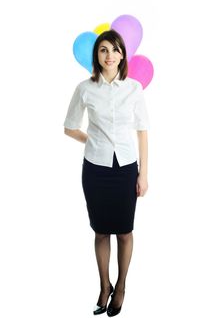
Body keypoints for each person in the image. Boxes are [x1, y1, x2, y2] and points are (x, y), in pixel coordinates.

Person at [63, 29, 149, 317]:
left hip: (126, 169)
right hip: (96, 169)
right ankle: (104, 285)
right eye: (103, 50)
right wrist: (91, 139)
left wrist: (143, 174)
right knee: (101, 231)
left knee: (124, 232)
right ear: (96, 56)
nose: (109, 55)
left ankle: (121, 286)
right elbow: (70, 126)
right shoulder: (85, 89)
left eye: (114, 50)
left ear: (122, 55)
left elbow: (142, 131)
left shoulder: (134, 89)